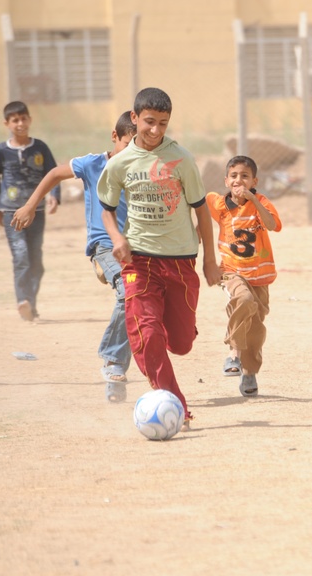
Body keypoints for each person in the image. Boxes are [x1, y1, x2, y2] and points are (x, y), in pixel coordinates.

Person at [97, 87, 221, 427]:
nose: (155, 130)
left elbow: (201, 211)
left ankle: (164, 326)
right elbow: (106, 208)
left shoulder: (181, 158)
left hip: (180, 260)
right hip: (138, 259)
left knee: (180, 344)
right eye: (149, 122)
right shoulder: (120, 162)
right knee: (147, 333)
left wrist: (210, 259)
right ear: (134, 118)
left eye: (163, 124)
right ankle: (176, 406)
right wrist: (117, 238)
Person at [11, 111, 137, 402]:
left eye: (137, 146)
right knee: (128, 292)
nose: (131, 151)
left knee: (140, 299)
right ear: (114, 137)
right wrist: (31, 205)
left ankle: (118, 382)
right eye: (127, 144)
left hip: (136, 247)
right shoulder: (93, 163)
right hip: (105, 244)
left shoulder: (140, 166)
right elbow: (55, 173)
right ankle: (114, 361)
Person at [206, 155, 283, 397]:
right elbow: (198, 202)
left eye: (245, 176)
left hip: (259, 275)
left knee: (256, 328)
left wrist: (253, 200)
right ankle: (233, 354)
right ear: (227, 181)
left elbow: (272, 225)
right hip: (231, 271)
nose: (239, 180)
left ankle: (249, 373)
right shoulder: (219, 205)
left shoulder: (261, 201)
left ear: (254, 181)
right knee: (243, 300)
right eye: (234, 176)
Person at [0, 101, 60, 322]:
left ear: (29, 120)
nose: (20, 123)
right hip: (11, 212)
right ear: (7, 123)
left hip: (36, 212)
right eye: (15, 120)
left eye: (23, 118)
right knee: (21, 256)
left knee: (36, 260)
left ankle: (31, 305)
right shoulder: (1, 151)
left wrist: (54, 195)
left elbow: (54, 173)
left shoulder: (40, 147)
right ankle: (22, 301)